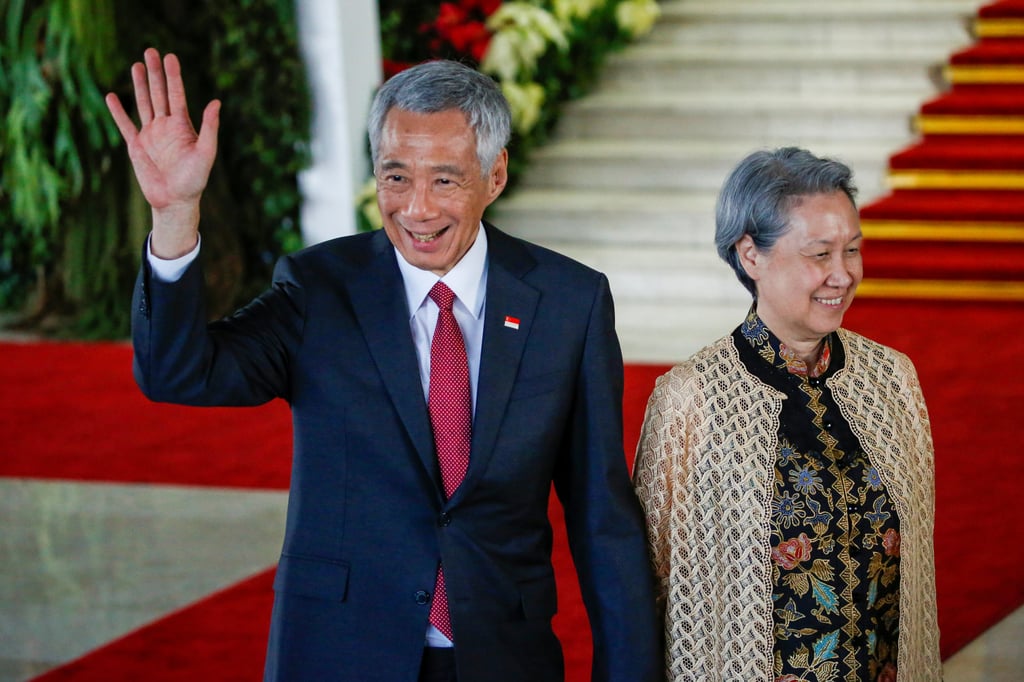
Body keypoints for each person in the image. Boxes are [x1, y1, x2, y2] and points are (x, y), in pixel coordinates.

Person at [106, 49, 662, 682]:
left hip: (503, 657)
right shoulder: (319, 288)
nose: (416, 209)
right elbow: (179, 373)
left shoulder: (570, 303)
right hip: (342, 652)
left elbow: (602, 520)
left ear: (496, 174)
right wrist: (175, 216)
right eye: (396, 177)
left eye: (445, 180)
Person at [632, 147, 941, 681]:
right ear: (750, 255)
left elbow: (919, 573)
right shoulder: (691, 399)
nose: (843, 275)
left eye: (852, 250)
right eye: (820, 254)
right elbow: (648, 585)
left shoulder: (891, 379)